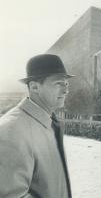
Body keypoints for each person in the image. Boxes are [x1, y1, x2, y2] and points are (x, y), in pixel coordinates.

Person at [0, 54, 74, 198]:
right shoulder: (12, 130)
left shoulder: (48, 122)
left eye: (66, 84)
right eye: (58, 83)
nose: (66, 90)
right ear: (34, 87)